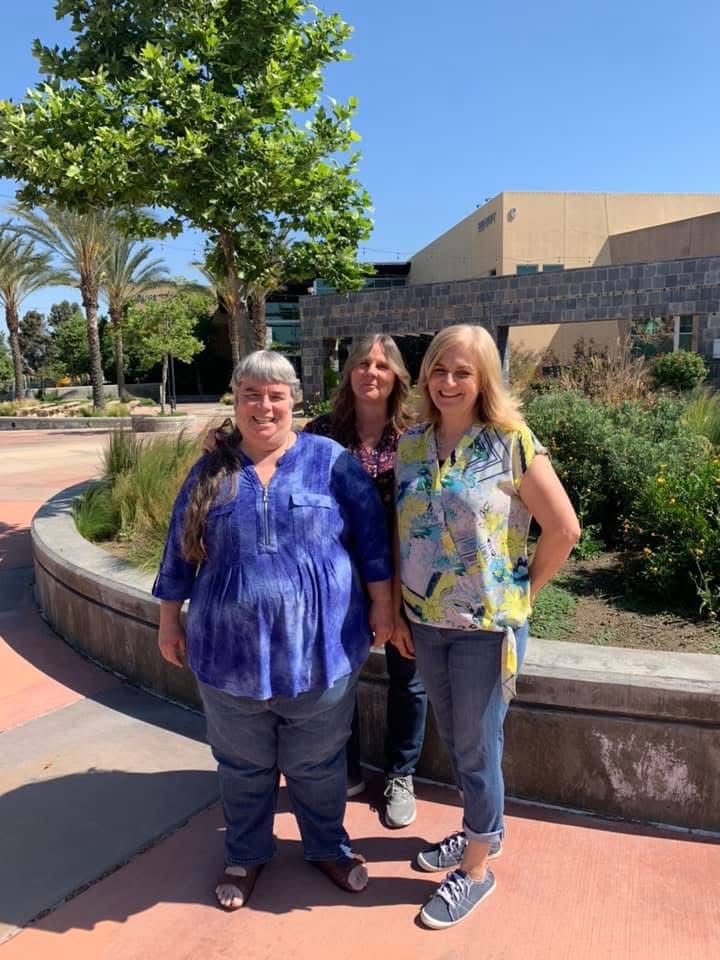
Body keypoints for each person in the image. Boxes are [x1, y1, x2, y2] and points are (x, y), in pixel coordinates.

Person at [154, 350, 393, 910]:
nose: (264, 406)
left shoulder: (331, 461)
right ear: (235, 402)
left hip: (320, 652)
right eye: (251, 395)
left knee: (319, 763)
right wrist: (168, 620)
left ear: (294, 401)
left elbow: (373, 541)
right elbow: (179, 549)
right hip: (227, 655)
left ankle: (328, 846)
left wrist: (383, 607)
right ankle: (246, 853)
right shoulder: (210, 471)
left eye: (275, 396)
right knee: (242, 765)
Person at [392, 324, 580, 929]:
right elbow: (402, 533)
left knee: (476, 748)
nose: (448, 382)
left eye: (462, 372)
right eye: (439, 370)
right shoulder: (411, 444)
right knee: (457, 740)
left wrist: (523, 592)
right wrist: (398, 609)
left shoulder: (511, 442)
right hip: (426, 623)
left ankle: (476, 869)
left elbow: (565, 530)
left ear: (484, 380)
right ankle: (482, 831)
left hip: (486, 629)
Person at [304, 334, 427, 829]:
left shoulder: (418, 433)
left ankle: (401, 774)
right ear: (349, 371)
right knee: (340, 673)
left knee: (408, 675)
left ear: (396, 375)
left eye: (381, 364)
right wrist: (223, 443)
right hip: (340, 576)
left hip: (410, 573)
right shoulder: (322, 433)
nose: (370, 372)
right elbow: (272, 456)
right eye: (361, 363)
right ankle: (347, 765)